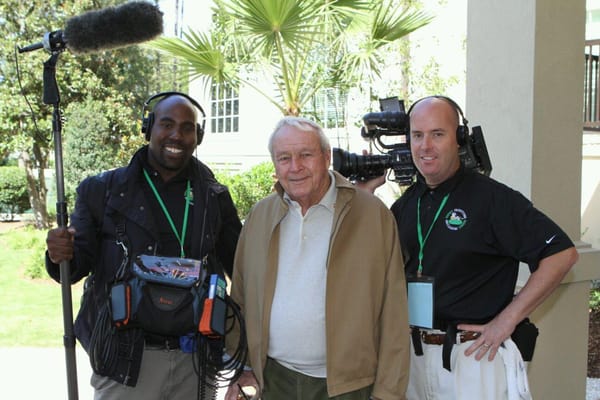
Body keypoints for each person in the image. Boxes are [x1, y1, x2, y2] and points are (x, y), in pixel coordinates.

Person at [364, 95, 578, 400]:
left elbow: (561, 254)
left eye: (437, 134)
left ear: (459, 139)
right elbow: (374, 265)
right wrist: (365, 197)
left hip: (474, 358)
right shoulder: (407, 204)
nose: (425, 146)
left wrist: (507, 321)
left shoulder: (493, 199)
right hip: (414, 356)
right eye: (417, 135)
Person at [45, 92, 242, 399]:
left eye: (187, 127)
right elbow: (73, 268)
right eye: (166, 124)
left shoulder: (214, 196)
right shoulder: (102, 191)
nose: (176, 134)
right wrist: (58, 254)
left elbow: (240, 268)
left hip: (194, 359)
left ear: (198, 136)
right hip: (127, 360)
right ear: (148, 128)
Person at [224, 116, 410, 400]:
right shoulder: (260, 216)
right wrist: (243, 367)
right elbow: (240, 298)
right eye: (284, 158)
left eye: (305, 155)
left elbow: (394, 310)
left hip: (349, 387)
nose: (295, 167)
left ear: (326, 157)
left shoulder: (372, 215)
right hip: (274, 381)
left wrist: (388, 393)